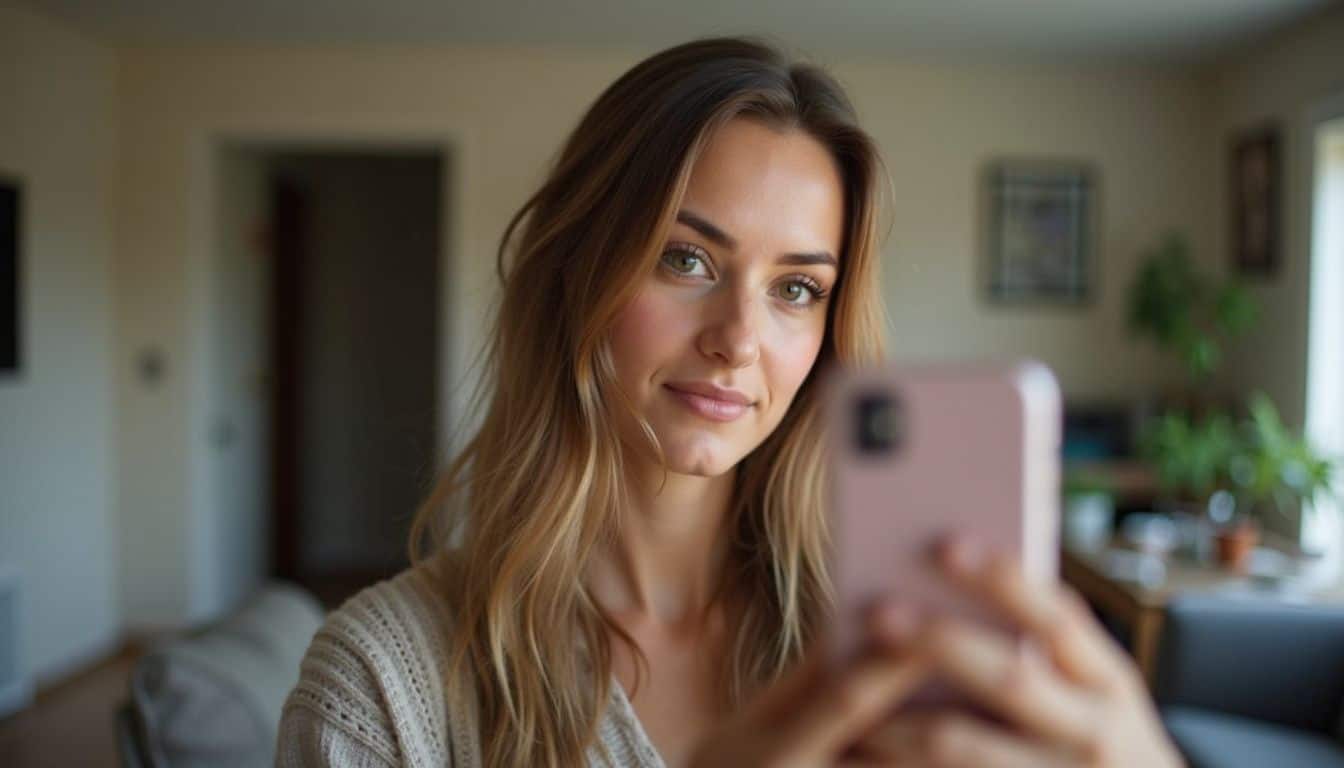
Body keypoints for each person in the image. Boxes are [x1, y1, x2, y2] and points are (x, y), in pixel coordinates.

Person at [275, 36, 1184, 768]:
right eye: (687, 259)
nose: (739, 340)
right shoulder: (380, 689)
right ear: (572, 275)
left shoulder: (903, 649)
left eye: (796, 289)